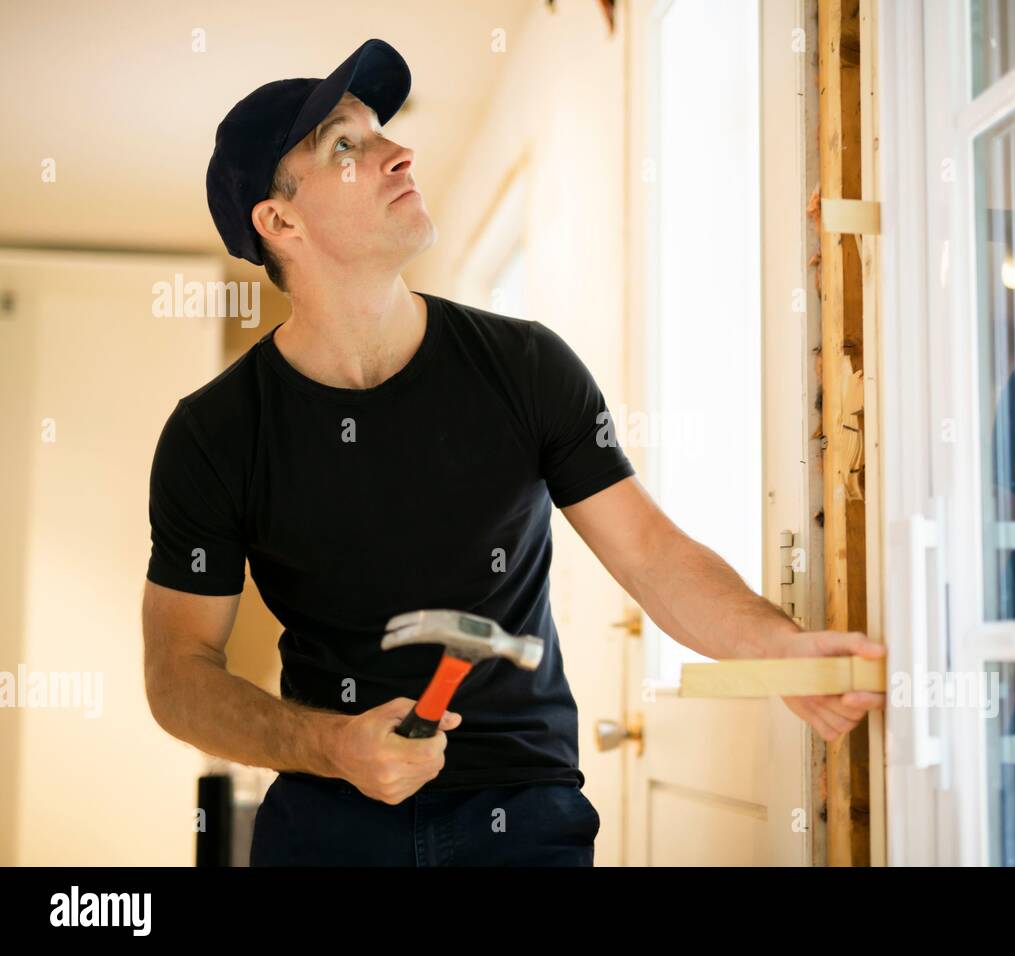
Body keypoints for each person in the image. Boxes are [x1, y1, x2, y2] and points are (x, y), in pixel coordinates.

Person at [141, 38, 884, 867]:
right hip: (327, 824)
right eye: (345, 145)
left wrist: (774, 647)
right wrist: (331, 746)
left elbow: (649, 553)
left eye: (380, 127)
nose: (397, 150)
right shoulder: (214, 434)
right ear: (280, 222)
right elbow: (178, 674)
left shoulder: (526, 367)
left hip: (524, 817)